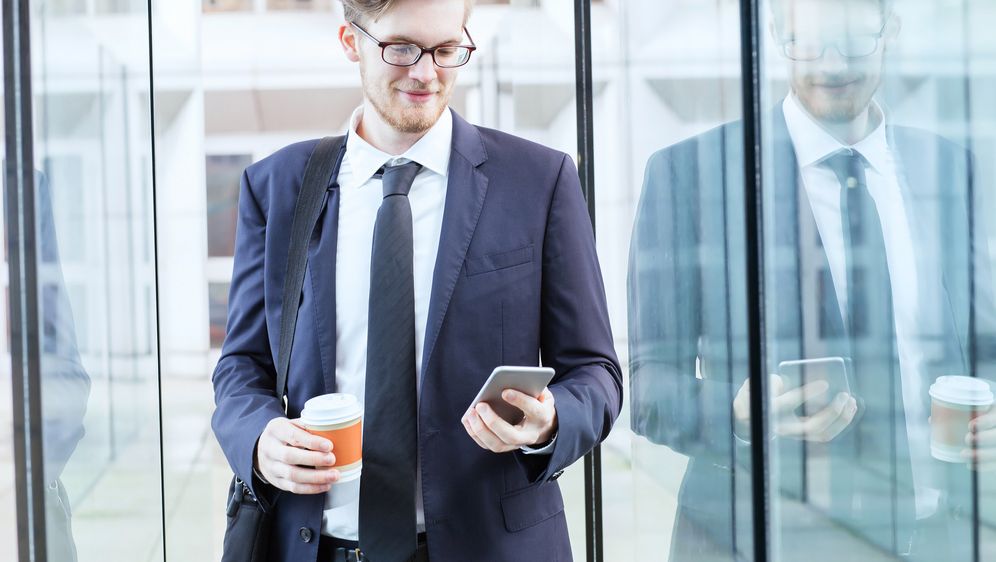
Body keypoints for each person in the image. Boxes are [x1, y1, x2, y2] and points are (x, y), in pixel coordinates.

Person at [211, 0, 623, 560]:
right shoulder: (278, 187)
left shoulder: (538, 181)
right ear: (350, 41)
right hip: (317, 547)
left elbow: (596, 373)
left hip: (489, 547)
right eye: (400, 48)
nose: (426, 72)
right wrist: (259, 439)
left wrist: (550, 422)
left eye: (447, 49)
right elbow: (241, 367)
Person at [628, 0, 996, 560]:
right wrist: (735, 412)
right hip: (767, 537)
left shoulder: (947, 166)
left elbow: (983, 340)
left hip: (939, 535)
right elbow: (650, 388)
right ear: (776, 36)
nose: (830, 64)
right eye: (806, 43)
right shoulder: (690, 175)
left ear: (889, 31)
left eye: (852, 41)